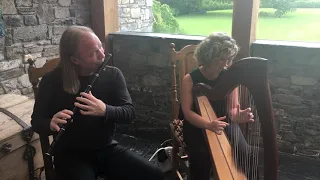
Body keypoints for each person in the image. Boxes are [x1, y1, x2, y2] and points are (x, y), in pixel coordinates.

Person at [31, 25, 164, 180]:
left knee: (156, 176)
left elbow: (129, 113)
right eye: (93, 53)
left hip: (106, 148)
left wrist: (105, 110)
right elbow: (36, 122)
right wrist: (50, 123)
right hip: (70, 156)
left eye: (100, 46)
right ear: (75, 60)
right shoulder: (51, 81)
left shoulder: (113, 75)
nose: (102, 54)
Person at [179, 32, 259, 180]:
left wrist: (238, 115)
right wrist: (209, 124)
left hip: (224, 121)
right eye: (222, 59)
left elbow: (232, 110)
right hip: (196, 124)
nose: (227, 64)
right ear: (208, 57)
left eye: (230, 59)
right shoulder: (189, 79)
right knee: (201, 157)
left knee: (245, 153)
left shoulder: (229, 78)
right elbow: (187, 112)